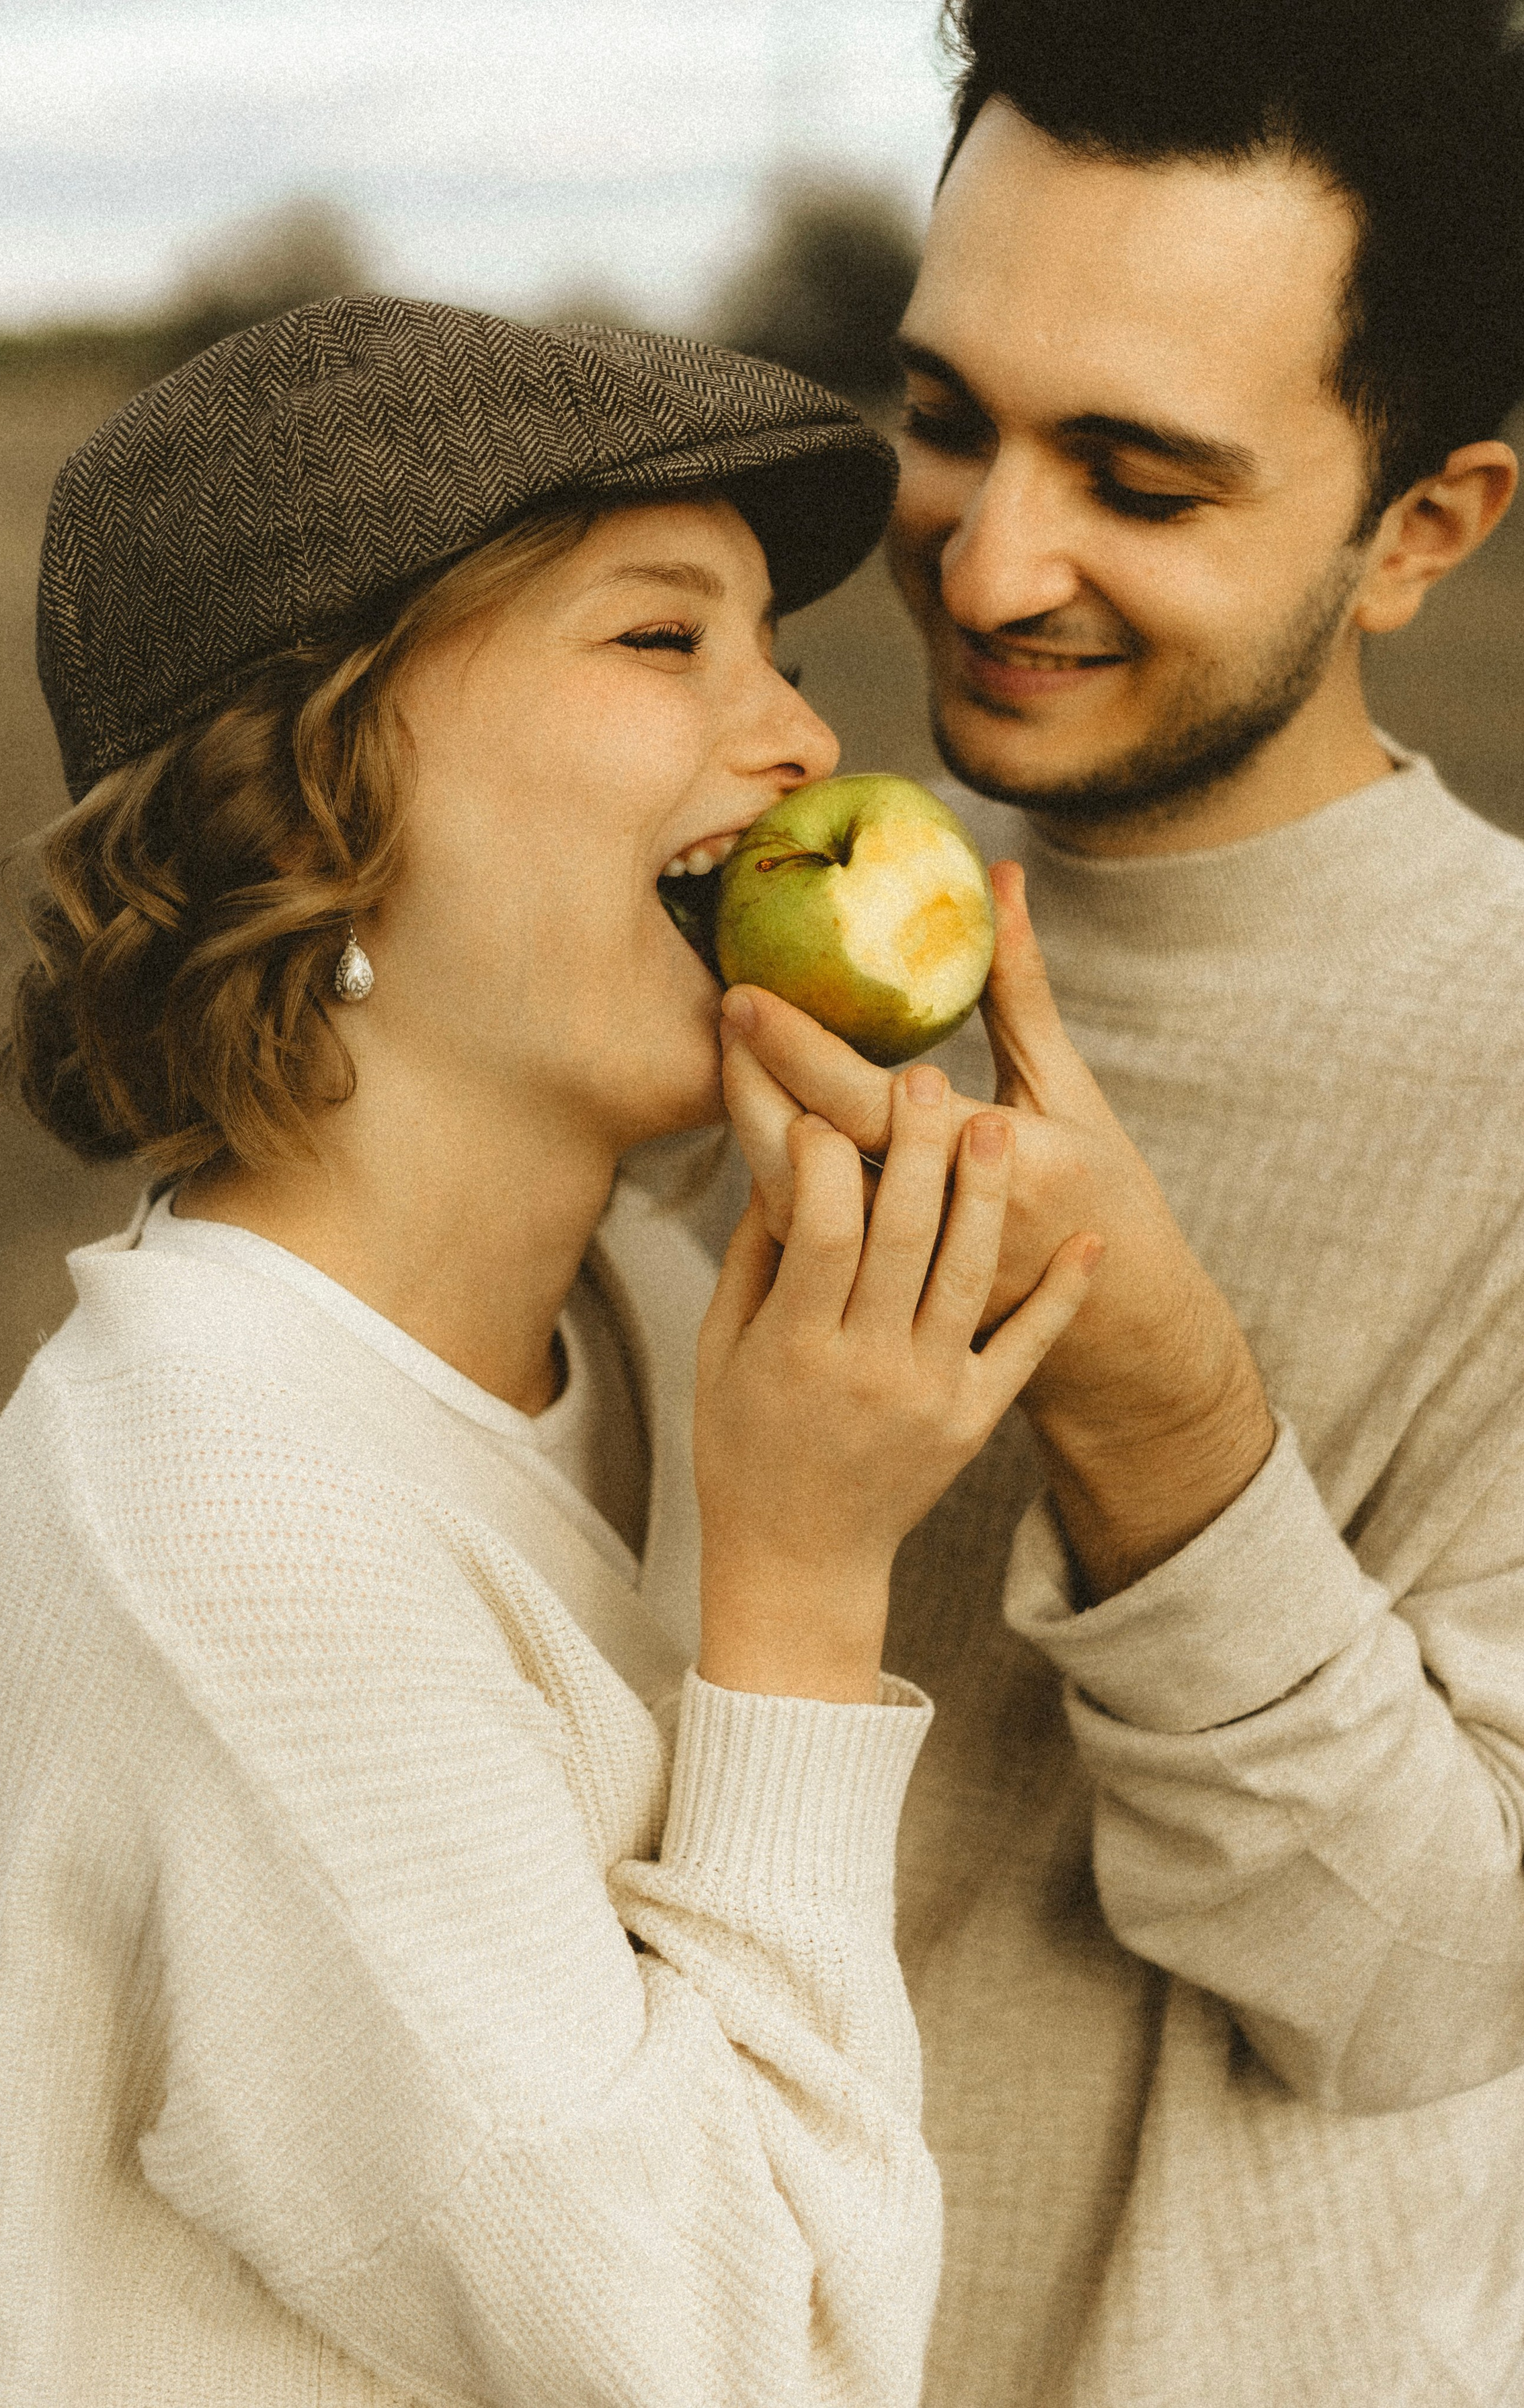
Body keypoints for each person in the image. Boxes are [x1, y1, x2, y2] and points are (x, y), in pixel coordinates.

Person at [0, 297, 1100, 2405]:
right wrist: (802, 1595)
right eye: (664, 639)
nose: (808, 742)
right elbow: (747, 2370)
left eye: (783, 655)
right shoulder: (223, 1520)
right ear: (314, 790)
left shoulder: (643, 1306)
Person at [679, 0, 1524, 2399]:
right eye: (947, 419)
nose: (988, 555)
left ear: (1421, 528)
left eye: (1140, 481)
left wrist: (1164, 1424)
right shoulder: (721, 953)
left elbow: (1431, 1990)